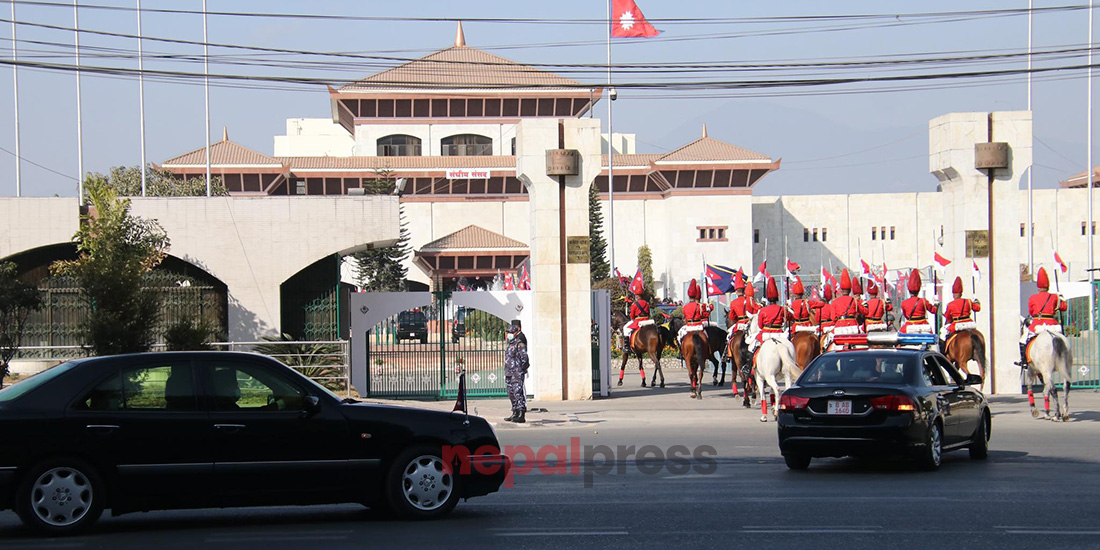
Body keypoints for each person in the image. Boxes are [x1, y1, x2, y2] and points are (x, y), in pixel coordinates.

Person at [1018, 267, 1067, 368]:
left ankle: (1024, 361)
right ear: (1048, 286)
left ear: (1038, 287)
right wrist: (1061, 298)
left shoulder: (1033, 297)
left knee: (1023, 340)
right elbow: (1063, 308)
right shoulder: (1054, 297)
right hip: (1053, 325)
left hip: (1037, 324)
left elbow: (1031, 312)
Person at [750, 277, 791, 353]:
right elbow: (789, 318)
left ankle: (754, 363)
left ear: (768, 299)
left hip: (766, 333)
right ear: (777, 298)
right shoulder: (782, 309)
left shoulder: (763, 310)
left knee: (753, 348)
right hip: (779, 333)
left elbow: (760, 325)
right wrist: (788, 308)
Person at [940, 276, 981, 347]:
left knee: (943, 334)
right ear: (961, 293)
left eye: (954, 293)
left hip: (956, 324)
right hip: (969, 323)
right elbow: (977, 308)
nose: (954, 295)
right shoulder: (968, 301)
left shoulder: (950, 304)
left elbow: (948, 318)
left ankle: (943, 351)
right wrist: (976, 301)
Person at [504, 323, 529, 423]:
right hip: (509, 372)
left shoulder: (519, 344)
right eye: (508, 332)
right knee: (511, 393)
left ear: (515, 333)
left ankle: (521, 414)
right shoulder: (510, 344)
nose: (509, 334)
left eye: (511, 332)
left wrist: (521, 370)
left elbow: (525, 358)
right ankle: (515, 412)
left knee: (518, 393)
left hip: (517, 373)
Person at [830, 270, 867, 336]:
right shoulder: (854, 301)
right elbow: (865, 312)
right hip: (853, 327)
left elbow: (833, 318)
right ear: (850, 290)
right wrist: (864, 303)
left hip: (839, 327)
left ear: (841, 290)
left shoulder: (835, 301)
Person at [899, 270, 937, 334]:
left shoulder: (904, 303)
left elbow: (906, 316)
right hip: (923, 325)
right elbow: (934, 311)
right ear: (919, 289)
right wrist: (936, 304)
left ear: (909, 290)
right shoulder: (923, 301)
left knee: (898, 338)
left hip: (910, 325)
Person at [679, 279, 711, 344]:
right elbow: (704, 315)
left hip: (689, 327)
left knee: (679, 337)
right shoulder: (699, 306)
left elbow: (685, 317)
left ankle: (682, 351)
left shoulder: (685, 307)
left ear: (688, 296)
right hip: (699, 326)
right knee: (707, 338)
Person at [726, 270, 758, 335]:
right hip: (750, 324)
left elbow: (731, 317)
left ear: (736, 291)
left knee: (729, 337)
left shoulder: (733, 303)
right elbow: (756, 311)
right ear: (744, 290)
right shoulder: (750, 300)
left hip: (739, 325)